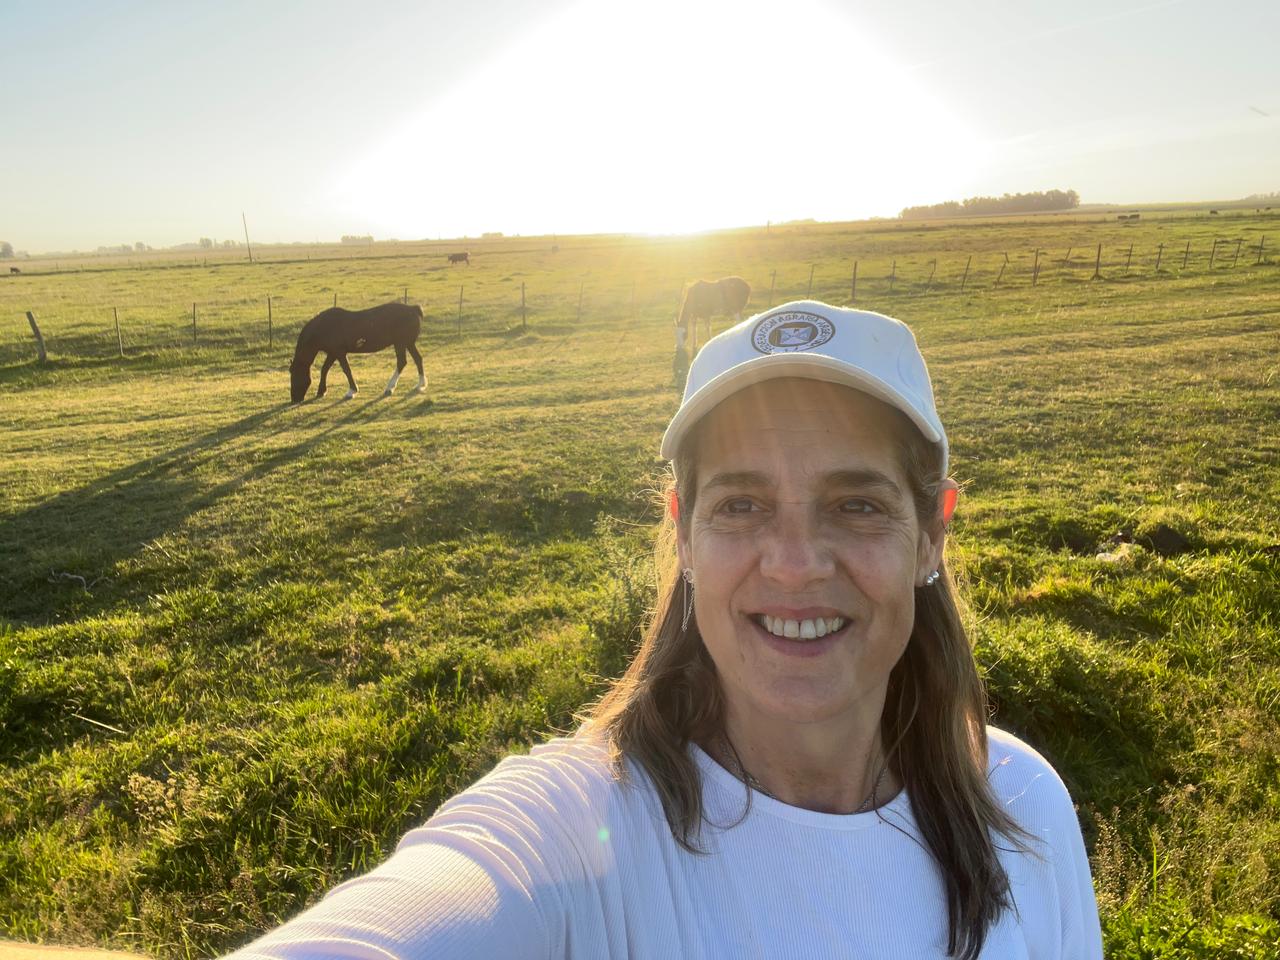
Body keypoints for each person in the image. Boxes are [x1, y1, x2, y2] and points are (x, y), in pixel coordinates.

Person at [227, 301, 1103, 959]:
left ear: (933, 535)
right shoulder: (575, 830)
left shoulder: (1023, 803)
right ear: (683, 534)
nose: (795, 564)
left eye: (858, 505)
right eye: (743, 504)